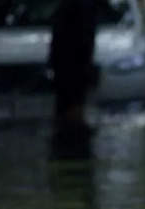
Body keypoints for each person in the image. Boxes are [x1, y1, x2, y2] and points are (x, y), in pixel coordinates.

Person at [48, 0, 98, 128]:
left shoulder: (74, 7)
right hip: (71, 68)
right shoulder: (76, 7)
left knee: (69, 106)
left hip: (71, 68)